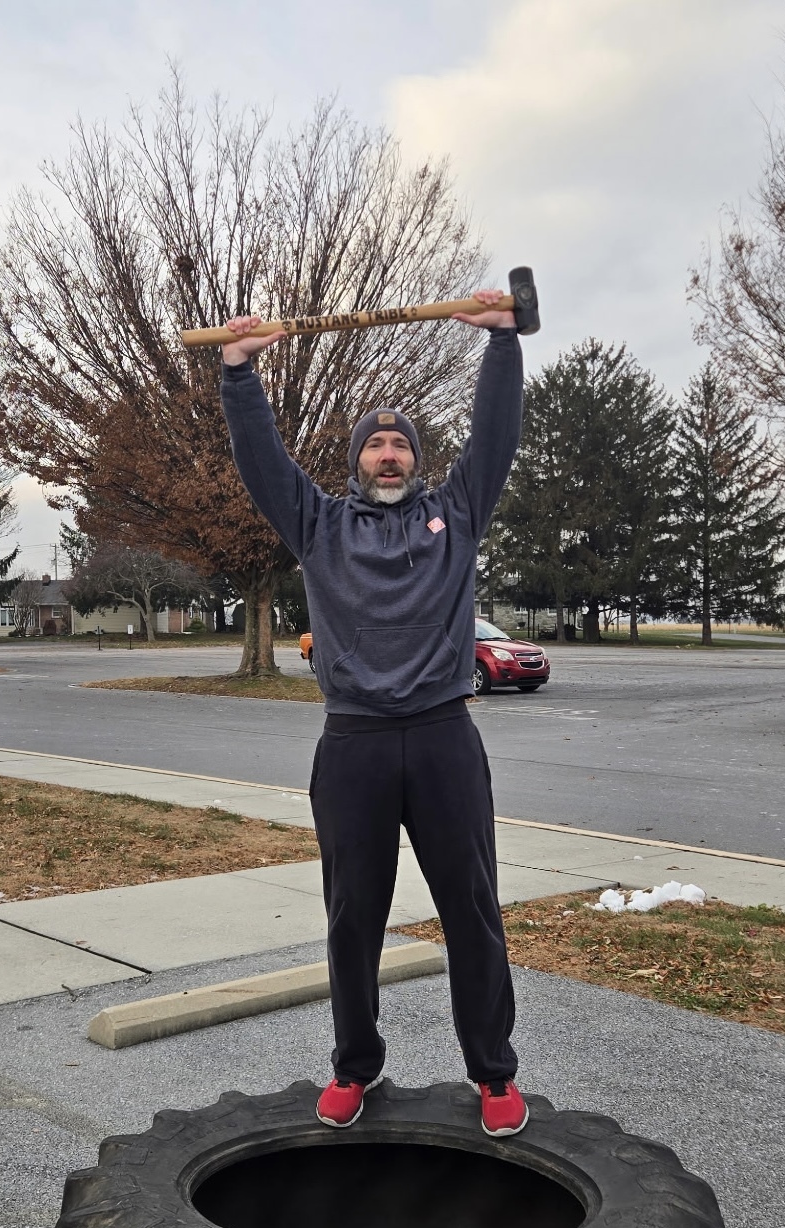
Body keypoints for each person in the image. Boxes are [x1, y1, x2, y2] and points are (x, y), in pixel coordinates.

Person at [220, 291, 529, 1136]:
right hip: (352, 743)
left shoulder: (455, 515)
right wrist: (239, 371)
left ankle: (493, 1074)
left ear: (415, 461)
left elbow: (494, 440)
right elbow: (262, 463)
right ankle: (354, 1067)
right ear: (356, 460)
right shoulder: (318, 525)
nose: (388, 455)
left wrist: (502, 345)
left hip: (441, 738)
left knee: (471, 909)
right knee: (352, 916)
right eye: (375, 445)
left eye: (400, 446)